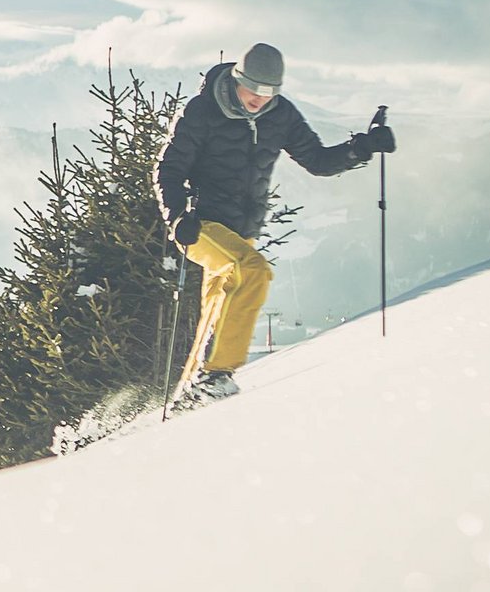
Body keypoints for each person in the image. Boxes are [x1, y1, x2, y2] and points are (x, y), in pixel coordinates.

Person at [155, 42, 396, 405]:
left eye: (269, 91)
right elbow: (168, 170)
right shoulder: (202, 111)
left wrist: (361, 148)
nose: (259, 98)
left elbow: (317, 160)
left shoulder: (281, 115)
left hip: (243, 230)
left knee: (219, 307)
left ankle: (189, 397)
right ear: (237, 79)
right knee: (252, 271)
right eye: (253, 88)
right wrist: (176, 216)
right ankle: (214, 375)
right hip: (200, 224)